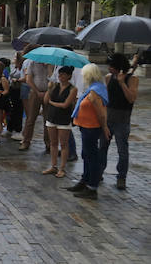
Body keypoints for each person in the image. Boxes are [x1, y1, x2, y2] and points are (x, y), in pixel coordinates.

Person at [67, 64, 110, 200]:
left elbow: (101, 113)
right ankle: (85, 181)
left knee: (91, 156)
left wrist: (104, 127)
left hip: (91, 128)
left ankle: (92, 187)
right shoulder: (93, 88)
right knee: (86, 154)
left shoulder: (95, 91)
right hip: (85, 126)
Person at [100, 53, 138, 190]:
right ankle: (99, 172)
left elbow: (131, 98)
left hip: (122, 120)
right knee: (102, 147)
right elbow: (104, 99)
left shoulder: (132, 79)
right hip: (108, 119)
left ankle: (121, 176)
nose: (109, 68)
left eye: (111, 66)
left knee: (122, 150)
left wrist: (122, 83)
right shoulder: (108, 78)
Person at [42, 65, 76, 178]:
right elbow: (46, 100)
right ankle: (53, 166)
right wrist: (49, 89)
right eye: (59, 74)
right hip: (52, 117)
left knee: (64, 144)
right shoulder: (55, 86)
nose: (60, 76)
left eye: (63, 74)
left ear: (69, 76)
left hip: (64, 119)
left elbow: (65, 105)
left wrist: (52, 103)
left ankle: (62, 168)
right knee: (53, 143)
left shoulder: (72, 89)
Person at [20, 44, 51, 151]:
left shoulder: (52, 64)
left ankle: (48, 143)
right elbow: (28, 79)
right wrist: (37, 91)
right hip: (35, 92)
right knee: (31, 118)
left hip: (48, 93)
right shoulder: (32, 63)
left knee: (48, 119)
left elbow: (54, 79)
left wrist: (49, 66)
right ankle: (26, 141)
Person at [7, 52, 26, 141]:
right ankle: (10, 128)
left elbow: (25, 78)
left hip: (19, 90)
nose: (13, 58)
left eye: (15, 57)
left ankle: (18, 129)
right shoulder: (14, 67)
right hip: (12, 90)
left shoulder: (22, 68)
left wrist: (17, 80)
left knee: (18, 110)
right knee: (12, 109)